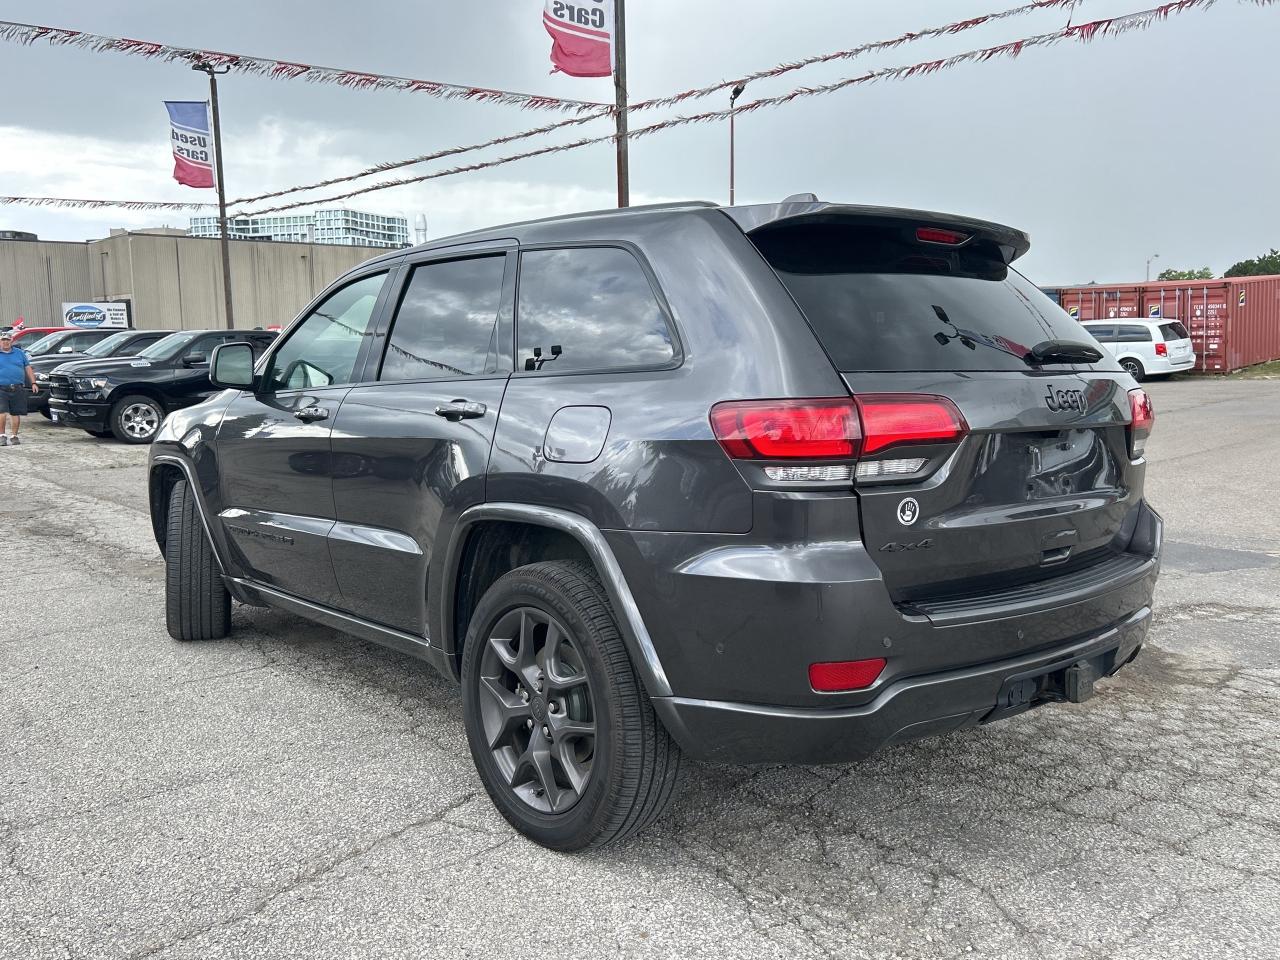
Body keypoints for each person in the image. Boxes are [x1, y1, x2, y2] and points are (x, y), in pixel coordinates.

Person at [0, 329, 38, 446]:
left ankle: (14, 436)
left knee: (15, 413)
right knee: (1, 412)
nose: (5, 342)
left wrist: (33, 383)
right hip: (1, 387)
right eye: (3, 340)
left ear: (11, 341)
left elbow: (27, 368)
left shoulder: (20, 353)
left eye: (7, 340)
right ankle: (2, 436)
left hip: (17, 387)